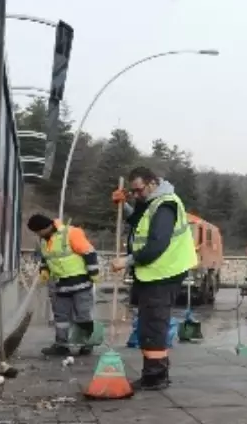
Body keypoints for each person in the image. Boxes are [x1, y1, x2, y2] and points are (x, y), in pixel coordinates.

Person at [109, 167, 197, 390]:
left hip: (164, 273)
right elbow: (137, 221)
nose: (136, 195)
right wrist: (124, 206)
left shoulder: (166, 205)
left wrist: (126, 261)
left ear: (152, 183)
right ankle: (152, 373)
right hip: (151, 273)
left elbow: (156, 244)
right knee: (147, 325)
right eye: (133, 192)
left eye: (138, 190)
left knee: (155, 325)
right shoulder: (150, 202)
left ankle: (156, 376)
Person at [28, 213, 99, 356]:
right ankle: (61, 345)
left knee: (83, 315)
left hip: (81, 283)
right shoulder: (44, 241)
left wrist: (94, 273)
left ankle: (86, 344)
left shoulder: (71, 233)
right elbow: (46, 259)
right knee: (61, 317)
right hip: (60, 285)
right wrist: (44, 271)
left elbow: (89, 252)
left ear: (45, 227)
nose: (37, 235)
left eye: (38, 231)